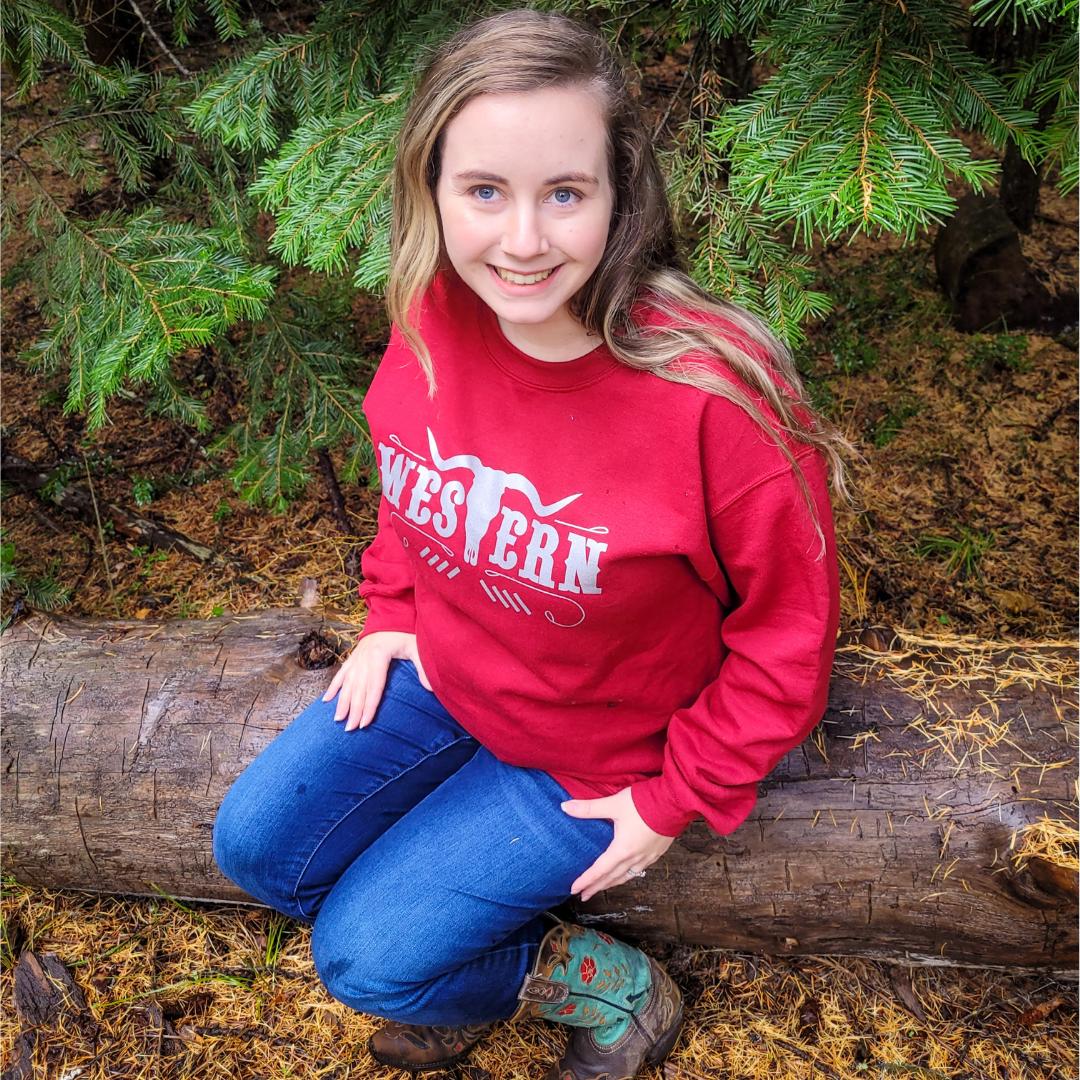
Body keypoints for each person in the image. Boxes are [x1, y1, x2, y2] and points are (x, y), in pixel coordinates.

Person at [212, 8, 851, 1079]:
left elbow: (789, 636)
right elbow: (410, 484)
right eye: (484, 192)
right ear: (432, 190)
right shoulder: (434, 312)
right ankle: (446, 897)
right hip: (452, 680)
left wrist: (672, 794)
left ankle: (610, 987)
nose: (521, 242)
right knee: (257, 850)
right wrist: (397, 611)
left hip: (591, 757)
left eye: (564, 193)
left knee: (364, 962)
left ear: (620, 193)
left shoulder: (710, 397)